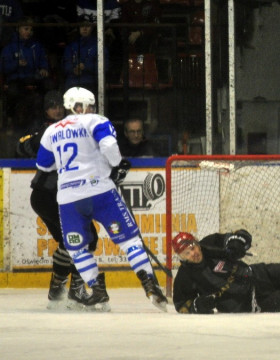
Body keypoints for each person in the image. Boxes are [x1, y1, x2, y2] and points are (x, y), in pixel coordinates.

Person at [35, 86, 167, 312]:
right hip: (101, 191)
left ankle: (97, 290)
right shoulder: (96, 120)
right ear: (81, 106)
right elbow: (109, 147)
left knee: (77, 249)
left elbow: (43, 165)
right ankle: (149, 284)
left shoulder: (52, 131)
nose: (91, 109)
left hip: (69, 198)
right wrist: (114, 164)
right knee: (130, 241)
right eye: (89, 105)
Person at [16, 90, 100, 310]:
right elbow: (22, 146)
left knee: (71, 241)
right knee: (85, 238)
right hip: (49, 195)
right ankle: (74, 290)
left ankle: (58, 290)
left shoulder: (79, 130)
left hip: (55, 197)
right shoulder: (54, 131)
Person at [171, 230, 280, 314]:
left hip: (258, 274)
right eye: (186, 253)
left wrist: (237, 243)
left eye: (192, 248)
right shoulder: (185, 277)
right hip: (249, 302)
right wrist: (196, 306)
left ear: (197, 243)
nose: (193, 253)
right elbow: (180, 305)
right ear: (182, 258)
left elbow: (241, 235)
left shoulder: (210, 243)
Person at [0, 17, 53, 129]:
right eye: (26, 29)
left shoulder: (37, 46)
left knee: (47, 87)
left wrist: (44, 68)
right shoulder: (9, 47)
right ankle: (11, 120)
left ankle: (46, 121)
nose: (29, 32)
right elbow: (3, 68)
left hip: (33, 78)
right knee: (13, 92)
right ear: (18, 29)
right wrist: (17, 64)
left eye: (31, 30)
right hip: (15, 79)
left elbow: (43, 61)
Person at [62, 21, 107, 94]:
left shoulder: (99, 46)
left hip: (90, 82)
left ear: (92, 28)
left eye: (87, 26)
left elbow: (103, 67)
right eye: (82, 26)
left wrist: (85, 67)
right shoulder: (71, 46)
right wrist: (73, 70)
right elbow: (66, 63)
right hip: (72, 82)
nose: (84, 28)